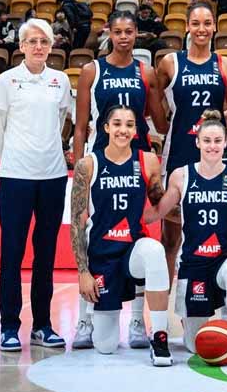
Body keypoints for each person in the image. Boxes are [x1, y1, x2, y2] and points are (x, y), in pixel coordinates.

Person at [144, 109, 227, 363]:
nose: (212, 146)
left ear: (226, 142)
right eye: (207, 141)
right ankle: (202, 317)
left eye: (217, 141)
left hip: (225, 258)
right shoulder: (181, 176)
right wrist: (133, 212)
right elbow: (161, 211)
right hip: (193, 264)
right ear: (197, 142)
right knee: (195, 346)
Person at [72, 10, 159, 350]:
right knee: (92, 235)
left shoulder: (145, 71)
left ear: (137, 34)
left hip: (137, 162)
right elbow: (80, 125)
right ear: (109, 32)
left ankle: (138, 321)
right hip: (100, 162)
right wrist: (80, 165)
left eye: (130, 31)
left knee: (137, 235)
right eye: (118, 31)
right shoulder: (91, 71)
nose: (124, 37)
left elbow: (156, 120)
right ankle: (84, 320)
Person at [152, 0, 227, 303]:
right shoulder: (170, 63)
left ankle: (210, 299)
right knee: (170, 237)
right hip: (179, 152)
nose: (202, 29)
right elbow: (157, 109)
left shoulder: (225, 64)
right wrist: (167, 128)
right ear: (187, 27)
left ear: (215, 26)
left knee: (216, 231)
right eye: (196, 23)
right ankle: (162, 310)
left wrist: (217, 121)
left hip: (213, 156)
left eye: (207, 23)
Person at [0, 18, 72, 351]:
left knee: (46, 255)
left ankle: (42, 325)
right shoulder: (7, 81)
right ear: (21, 46)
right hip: (15, 178)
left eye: (44, 41)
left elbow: (63, 121)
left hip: (52, 177)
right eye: (32, 41)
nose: (39, 46)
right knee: (11, 254)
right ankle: (9, 326)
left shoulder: (61, 80)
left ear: (51, 46)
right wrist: (13, 160)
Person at [70, 105, 173, 365]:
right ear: (105, 128)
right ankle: (89, 318)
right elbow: (76, 223)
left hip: (132, 250)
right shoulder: (88, 164)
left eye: (129, 124)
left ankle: (159, 336)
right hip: (102, 256)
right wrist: (83, 272)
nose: (123, 130)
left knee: (154, 250)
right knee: (105, 346)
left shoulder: (147, 160)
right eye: (117, 124)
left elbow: (159, 204)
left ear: (136, 130)